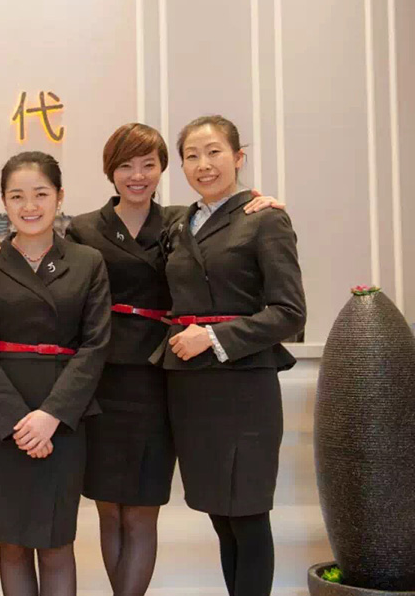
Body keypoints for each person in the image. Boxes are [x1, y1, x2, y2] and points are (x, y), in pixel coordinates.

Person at [64, 124, 284, 596]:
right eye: (125, 165)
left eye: (148, 164)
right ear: (109, 171)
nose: (137, 175)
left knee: (144, 508)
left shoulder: (179, 222)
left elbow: (230, 230)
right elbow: (48, 267)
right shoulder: (83, 227)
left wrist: (259, 203)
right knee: (108, 507)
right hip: (101, 377)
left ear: (164, 168)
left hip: (161, 375)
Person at [152, 115, 306, 596]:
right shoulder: (178, 222)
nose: (204, 164)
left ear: (238, 157)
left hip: (244, 387)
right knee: (221, 516)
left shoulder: (265, 218)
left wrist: (214, 338)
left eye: (214, 151)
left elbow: (290, 313)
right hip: (190, 388)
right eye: (192, 156)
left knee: (249, 515)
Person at [0, 151, 112, 596]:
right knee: (11, 543)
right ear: (3, 202)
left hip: (63, 417)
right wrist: (15, 420)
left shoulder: (87, 261)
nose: (29, 206)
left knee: (56, 542)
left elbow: (96, 345)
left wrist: (51, 416)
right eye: (17, 196)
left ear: (59, 197)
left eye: (41, 194)